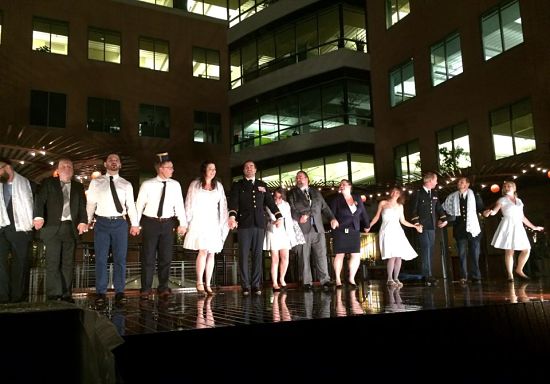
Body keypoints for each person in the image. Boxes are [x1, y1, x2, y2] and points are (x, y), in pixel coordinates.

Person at [86, 153, 140, 306]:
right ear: (105, 164)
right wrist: (87, 221)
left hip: (120, 224)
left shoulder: (126, 184)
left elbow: (131, 205)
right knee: (101, 259)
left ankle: (120, 292)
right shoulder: (96, 182)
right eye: (110, 160)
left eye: (116, 160)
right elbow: (90, 203)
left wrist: (135, 224)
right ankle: (101, 293)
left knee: (120, 260)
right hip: (101, 223)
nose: (113, 162)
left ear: (120, 165)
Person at [33, 158, 88, 302]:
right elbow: (40, 201)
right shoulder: (48, 183)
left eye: (70, 166)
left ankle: (66, 294)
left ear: (73, 169)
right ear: (58, 169)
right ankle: (53, 294)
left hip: (70, 229)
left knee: (68, 263)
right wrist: (38, 217)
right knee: (52, 262)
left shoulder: (78, 187)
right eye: (63, 166)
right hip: (52, 228)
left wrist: (83, 221)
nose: (67, 168)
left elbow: (82, 206)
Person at [135, 153, 187, 300]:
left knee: (166, 257)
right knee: (148, 256)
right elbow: (139, 205)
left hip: (168, 223)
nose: (172, 170)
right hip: (150, 222)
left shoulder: (175, 185)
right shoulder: (147, 184)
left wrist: (183, 223)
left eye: (172, 167)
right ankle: (146, 288)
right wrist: (135, 224)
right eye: (169, 168)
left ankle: (163, 287)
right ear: (160, 169)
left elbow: (179, 205)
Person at [228, 160, 282, 296]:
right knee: (244, 255)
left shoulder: (262, 185)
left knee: (258, 255)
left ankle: (256, 284)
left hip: (259, 224)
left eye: (252, 166)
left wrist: (278, 216)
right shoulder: (238, 185)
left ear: (255, 169)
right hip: (244, 225)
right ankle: (245, 285)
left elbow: (269, 202)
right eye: (246, 167)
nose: (249, 168)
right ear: (243, 170)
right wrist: (232, 217)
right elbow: (234, 202)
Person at [483, 181, 544, 281]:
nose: (507, 188)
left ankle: (519, 270)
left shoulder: (519, 201)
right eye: (505, 186)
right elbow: (494, 212)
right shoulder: (502, 199)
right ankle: (510, 275)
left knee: (526, 249)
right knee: (509, 250)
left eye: (509, 186)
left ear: (514, 188)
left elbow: (522, 217)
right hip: (508, 225)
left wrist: (534, 227)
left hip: (518, 226)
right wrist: (488, 213)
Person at [288, 170, 338, 290]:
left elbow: (324, 207)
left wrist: (332, 218)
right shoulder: (293, 193)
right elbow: (291, 209)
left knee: (321, 255)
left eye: (301, 177)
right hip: (303, 228)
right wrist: (299, 217)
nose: (299, 180)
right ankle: (306, 282)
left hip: (318, 228)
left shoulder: (316, 192)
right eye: (297, 178)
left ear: (307, 179)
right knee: (304, 257)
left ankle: (325, 280)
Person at [183, 161, 228, 295]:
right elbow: (188, 203)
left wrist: (225, 222)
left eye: (214, 169)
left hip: (213, 222)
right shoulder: (195, 185)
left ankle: (208, 284)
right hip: (199, 220)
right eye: (210, 169)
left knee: (211, 252)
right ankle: (199, 282)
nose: (213, 171)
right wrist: (186, 222)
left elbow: (223, 205)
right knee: (202, 251)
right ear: (204, 170)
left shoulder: (218, 186)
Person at [367, 186, 421, 287]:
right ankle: (390, 278)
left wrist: (415, 226)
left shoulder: (400, 206)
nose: (395, 193)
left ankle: (396, 278)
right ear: (390, 193)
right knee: (391, 255)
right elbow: (377, 216)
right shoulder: (383, 203)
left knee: (398, 256)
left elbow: (403, 221)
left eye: (397, 192)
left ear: (400, 195)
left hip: (397, 231)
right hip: (386, 230)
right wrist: (369, 226)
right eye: (393, 191)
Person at [0, 157, 34, 303]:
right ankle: (3, 296)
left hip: (20, 229)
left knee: (20, 264)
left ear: (7, 167)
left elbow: (35, 203)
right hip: (1, 227)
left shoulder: (27, 183)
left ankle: (18, 297)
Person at [442, 177, 484, 284]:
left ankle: (476, 276)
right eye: (458, 182)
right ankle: (463, 276)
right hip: (459, 229)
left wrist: (487, 212)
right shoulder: (452, 197)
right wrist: (443, 219)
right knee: (461, 254)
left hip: (473, 228)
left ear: (467, 184)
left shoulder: (474, 195)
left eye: (462, 182)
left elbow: (481, 208)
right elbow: (444, 209)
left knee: (474, 253)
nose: (459, 184)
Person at [329, 179, 370, 288]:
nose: (341, 186)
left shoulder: (357, 198)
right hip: (340, 229)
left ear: (350, 186)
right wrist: (333, 220)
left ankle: (351, 278)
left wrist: (367, 225)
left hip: (354, 228)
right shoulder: (336, 199)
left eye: (344, 184)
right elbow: (330, 214)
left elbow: (363, 212)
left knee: (355, 254)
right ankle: (338, 279)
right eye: (340, 185)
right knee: (340, 254)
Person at [409, 171, 448, 286]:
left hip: (432, 226)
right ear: (430, 180)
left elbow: (439, 207)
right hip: (422, 226)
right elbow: (413, 210)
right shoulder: (418, 193)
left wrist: (444, 219)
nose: (436, 182)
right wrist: (417, 224)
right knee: (426, 249)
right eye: (435, 180)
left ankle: (428, 274)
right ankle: (427, 275)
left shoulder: (434, 192)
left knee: (430, 250)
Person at [263, 187, 305, 291]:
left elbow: (288, 219)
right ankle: (275, 282)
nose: (277, 199)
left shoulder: (286, 205)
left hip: (284, 232)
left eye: (279, 197)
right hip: (273, 232)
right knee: (275, 258)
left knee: (285, 257)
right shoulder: (268, 204)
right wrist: (274, 222)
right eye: (275, 197)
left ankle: (282, 279)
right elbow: (267, 218)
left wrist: (291, 233)